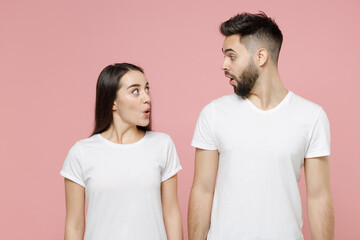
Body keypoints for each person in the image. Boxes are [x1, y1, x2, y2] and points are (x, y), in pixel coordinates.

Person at [188, 12, 334, 240]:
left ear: (261, 56)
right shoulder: (214, 114)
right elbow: (202, 190)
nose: (223, 65)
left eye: (231, 56)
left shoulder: (312, 117)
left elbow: (319, 195)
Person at [60, 63, 183, 240]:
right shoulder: (81, 153)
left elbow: (171, 213)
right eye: (135, 91)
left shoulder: (162, 145)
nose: (147, 98)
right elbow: (74, 224)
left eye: (147, 89)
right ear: (113, 102)